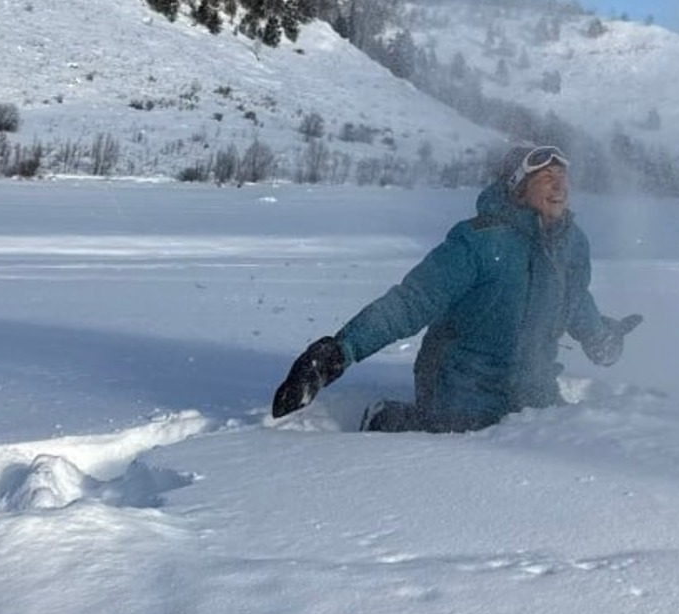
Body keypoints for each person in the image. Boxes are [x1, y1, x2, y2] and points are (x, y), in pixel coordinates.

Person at [271, 144, 643, 432]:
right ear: (518, 188)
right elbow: (411, 303)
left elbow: (574, 298)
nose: (560, 185)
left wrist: (601, 339)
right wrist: (338, 352)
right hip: (462, 388)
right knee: (472, 441)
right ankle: (387, 419)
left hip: (534, 391)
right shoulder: (477, 241)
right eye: (546, 177)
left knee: (561, 441)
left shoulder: (573, 244)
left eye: (562, 176)